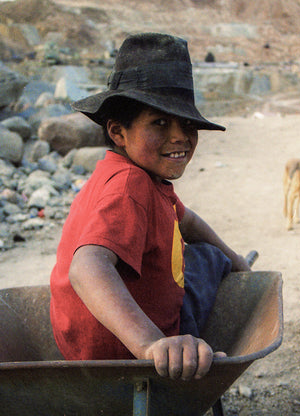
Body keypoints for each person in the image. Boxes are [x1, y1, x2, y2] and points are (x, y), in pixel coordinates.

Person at [49, 32, 250, 382]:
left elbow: (187, 221)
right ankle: (183, 348)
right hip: (124, 355)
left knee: (208, 255)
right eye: (159, 123)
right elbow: (86, 267)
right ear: (118, 132)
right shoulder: (130, 187)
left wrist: (239, 262)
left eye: (188, 124)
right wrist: (152, 345)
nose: (179, 136)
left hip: (86, 345)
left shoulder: (139, 176)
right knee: (208, 261)